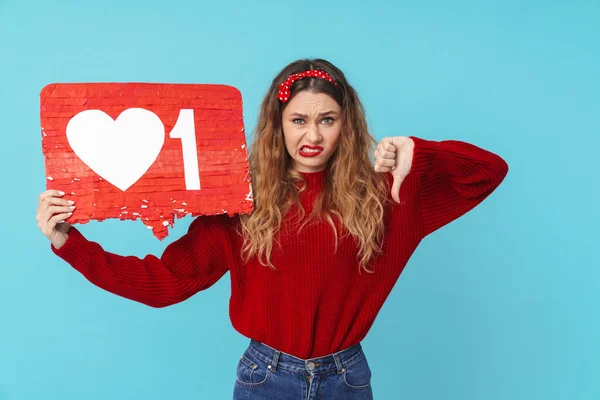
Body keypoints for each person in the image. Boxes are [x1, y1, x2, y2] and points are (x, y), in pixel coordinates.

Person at [36, 58, 509, 399]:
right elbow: (166, 282)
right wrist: (68, 243)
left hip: (346, 377)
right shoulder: (240, 200)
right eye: (299, 120)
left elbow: (488, 172)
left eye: (327, 120)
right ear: (278, 125)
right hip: (266, 378)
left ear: (346, 125)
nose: (313, 135)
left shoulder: (390, 194)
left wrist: (418, 150)